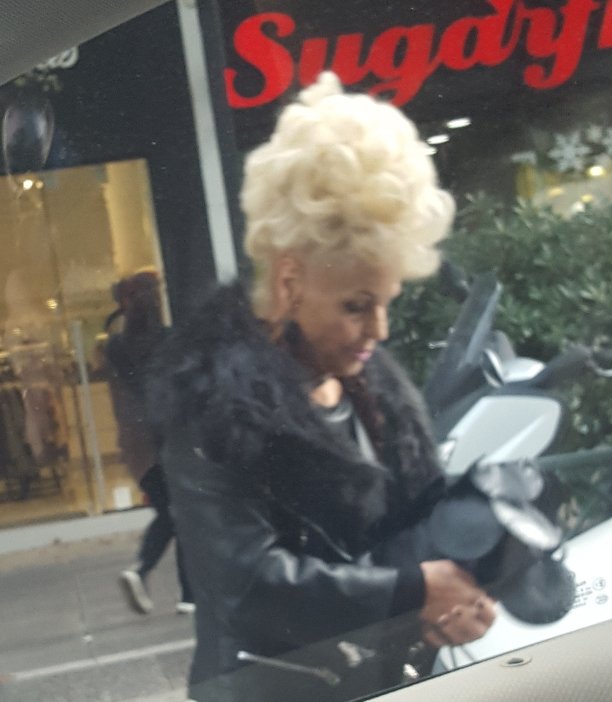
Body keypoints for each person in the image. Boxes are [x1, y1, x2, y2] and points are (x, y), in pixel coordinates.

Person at [147, 72, 495, 702]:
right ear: (290, 282)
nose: (379, 331)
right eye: (357, 306)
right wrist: (412, 593)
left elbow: (410, 525)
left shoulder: (373, 391)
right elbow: (246, 586)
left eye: (386, 302)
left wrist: (469, 570)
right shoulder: (214, 407)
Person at [105, 269, 194, 615]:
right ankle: (149, 573)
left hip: (136, 446)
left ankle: (182, 592)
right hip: (165, 441)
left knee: (175, 513)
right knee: (179, 513)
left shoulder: (115, 347)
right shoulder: (168, 340)